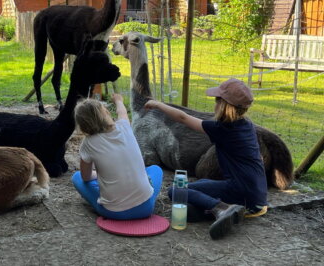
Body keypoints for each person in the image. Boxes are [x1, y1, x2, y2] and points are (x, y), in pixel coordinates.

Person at [144, 78, 268, 239]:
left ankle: (221, 208)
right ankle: (212, 210)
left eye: (217, 100)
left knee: (175, 191)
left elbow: (183, 118)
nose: (214, 104)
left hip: (241, 192)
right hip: (258, 194)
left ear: (223, 105)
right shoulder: (246, 125)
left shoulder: (222, 129)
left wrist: (158, 105)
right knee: (194, 189)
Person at [72, 93, 163, 220]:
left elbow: (85, 177)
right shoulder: (124, 126)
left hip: (114, 213)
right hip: (146, 208)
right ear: (107, 113)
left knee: (76, 177)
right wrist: (118, 100)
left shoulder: (87, 143)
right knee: (155, 169)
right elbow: (122, 112)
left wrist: (101, 175)